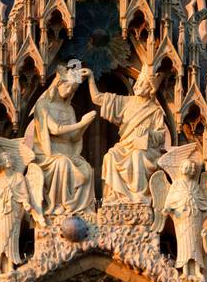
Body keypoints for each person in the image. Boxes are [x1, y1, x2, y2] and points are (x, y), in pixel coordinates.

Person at [90, 64, 167, 202]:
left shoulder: (155, 111)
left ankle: (138, 197)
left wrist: (149, 133)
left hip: (145, 150)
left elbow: (161, 135)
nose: (137, 85)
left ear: (150, 89)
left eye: (143, 84)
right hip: (125, 145)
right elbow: (97, 98)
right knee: (110, 156)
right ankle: (115, 197)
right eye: (138, 82)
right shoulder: (126, 102)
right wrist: (90, 78)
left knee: (137, 155)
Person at [31, 63, 96, 214]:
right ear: (59, 83)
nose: (69, 91)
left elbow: (74, 137)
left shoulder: (69, 108)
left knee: (86, 167)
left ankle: (81, 209)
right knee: (63, 164)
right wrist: (81, 123)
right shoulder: (43, 104)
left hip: (68, 151)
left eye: (73, 89)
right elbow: (55, 129)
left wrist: (85, 125)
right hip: (49, 154)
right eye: (68, 87)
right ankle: (58, 205)